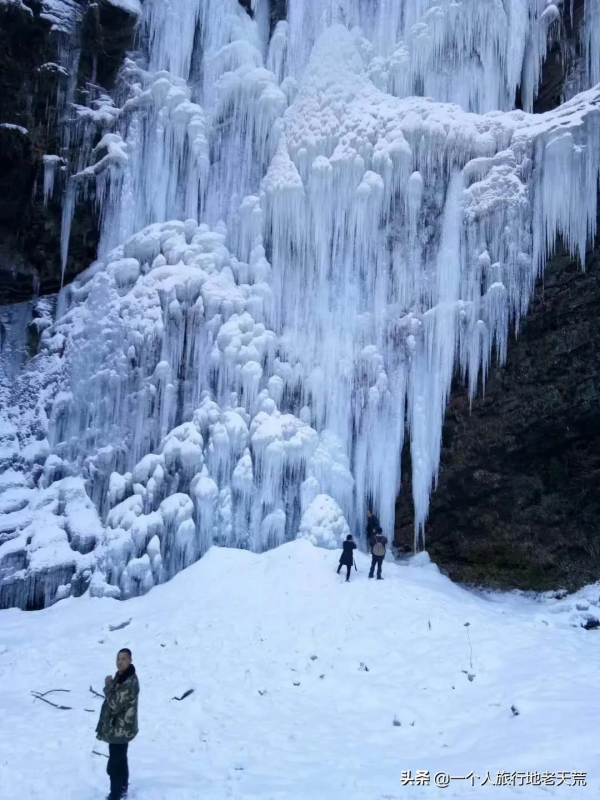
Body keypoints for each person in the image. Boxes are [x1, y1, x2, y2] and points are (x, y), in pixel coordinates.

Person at [96, 648, 140, 800]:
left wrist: (108, 685)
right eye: (118, 659)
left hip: (121, 729)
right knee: (120, 760)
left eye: (123, 659)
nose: (120, 662)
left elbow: (115, 703)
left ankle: (115, 794)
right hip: (117, 728)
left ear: (130, 661)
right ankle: (121, 789)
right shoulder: (121, 676)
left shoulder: (130, 681)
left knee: (114, 765)